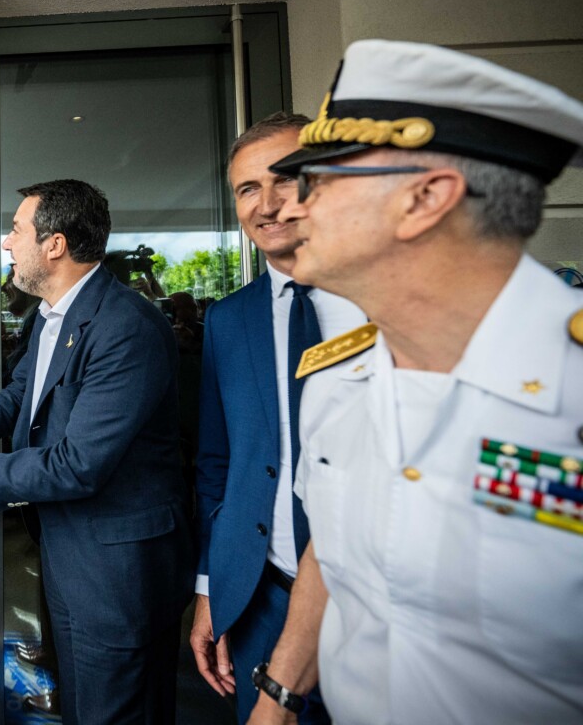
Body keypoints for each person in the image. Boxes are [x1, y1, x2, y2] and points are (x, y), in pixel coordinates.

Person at [246, 40, 583, 724]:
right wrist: (277, 701)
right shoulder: (335, 383)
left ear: (425, 198)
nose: (293, 209)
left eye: (322, 182)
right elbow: (331, 555)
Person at [0, 179, 193, 724]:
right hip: (72, 555)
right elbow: (20, 395)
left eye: (15, 230)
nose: (7, 244)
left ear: (54, 245)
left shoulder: (127, 327)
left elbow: (78, 464)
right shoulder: (52, 314)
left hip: (119, 571)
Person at [190, 113, 363, 724]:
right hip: (258, 596)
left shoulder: (386, 302)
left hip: (373, 605)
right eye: (246, 189)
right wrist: (212, 587)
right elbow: (218, 464)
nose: (267, 204)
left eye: (284, 179)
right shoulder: (227, 320)